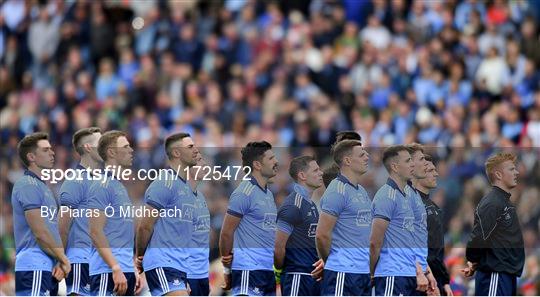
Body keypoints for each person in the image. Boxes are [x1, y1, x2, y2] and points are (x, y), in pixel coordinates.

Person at [135, 133, 199, 296]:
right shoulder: (165, 182)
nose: (196, 150)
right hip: (164, 261)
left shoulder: (186, 188)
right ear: (177, 153)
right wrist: (140, 257)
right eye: (190, 147)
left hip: (179, 265)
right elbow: (145, 226)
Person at [12, 132, 70, 295]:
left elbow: (52, 231)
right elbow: (40, 232)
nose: (52, 153)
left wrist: (59, 260)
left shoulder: (44, 187)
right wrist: (64, 259)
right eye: (45, 150)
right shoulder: (27, 185)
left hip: (47, 268)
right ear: (31, 156)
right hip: (33, 266)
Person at [219, 141, 279, 296]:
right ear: (257, 165)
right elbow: (226, 233)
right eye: (271, 158)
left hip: (267, 271)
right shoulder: (244, 192)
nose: (276, 161)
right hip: (248, 269)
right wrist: (227, 271)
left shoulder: (268, 194)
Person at [463, 152, 525, 296]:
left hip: (505, 274)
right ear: (498, 174)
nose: (516, 172)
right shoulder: (492, 203)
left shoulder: (504, 201)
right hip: (495, 275)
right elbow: (478, 239)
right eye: (511, 169)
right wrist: (473, 259)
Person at [316, 140, 372, 296]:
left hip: (363, 273)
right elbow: (321, 235)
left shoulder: (361, 190)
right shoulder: (337, 189)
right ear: (347, 160)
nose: (367, 157)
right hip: (343, 272)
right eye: (361, 154)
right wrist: (333, 261)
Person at [87, 130, 140, 296]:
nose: (131, 150)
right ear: (111, 152)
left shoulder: (119, 186)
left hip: (124, 271)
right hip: (107, 272)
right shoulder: (102, 185)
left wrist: (131, 267)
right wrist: (115, 267)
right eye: (125, 147)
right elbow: (95, 232)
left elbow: (119, 232)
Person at [370, 145, 427, 296]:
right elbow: (375, 241)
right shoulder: (386, 196)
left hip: (408, 273)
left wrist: (419, 270)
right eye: (408, 161)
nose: (412, 164)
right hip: (392, 274)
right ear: (395, 167)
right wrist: (369, 272)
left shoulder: (407, 196)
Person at [59, 127, 102, 296]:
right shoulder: (75, 181)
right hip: (81, 259)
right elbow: (62, 225)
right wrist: (60, 260)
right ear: (88, 148)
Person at [274, 156, 324, 296]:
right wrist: (280, 270)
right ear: (302, 175)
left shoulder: (311, 204)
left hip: (314, 278)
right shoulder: (292, 206)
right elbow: (278, 246)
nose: (320, 173)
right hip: (297, 276)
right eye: (315, 170)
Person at [417, 155, 453, 296]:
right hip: (422, 280)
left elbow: (437, 252)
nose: (436, 174)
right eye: (431, 170)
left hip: (435, 279)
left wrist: (444, 281)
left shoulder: (435, 208)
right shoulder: (411, 205)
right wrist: (426, 275)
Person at [405, 143, 437, 295]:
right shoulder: (400, 196)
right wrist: (420, 272)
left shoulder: (415, 196)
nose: (426, 163)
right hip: (403, 275)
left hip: (417, 275)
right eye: (421, 159)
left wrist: (428, 273)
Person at [186, 152, 211, 296]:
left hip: (201, 275)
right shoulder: (179, 197)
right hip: (186, 275)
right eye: (199, 160)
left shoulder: (200, 196)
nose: (205, 165)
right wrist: (180, 277)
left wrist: (204, 276)